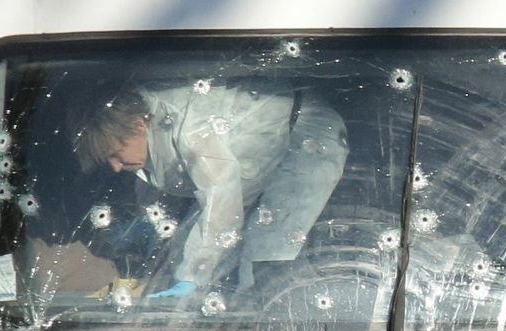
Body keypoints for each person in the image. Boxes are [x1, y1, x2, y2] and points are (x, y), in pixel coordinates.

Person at [66, 78, 349, 299]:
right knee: (186, 254)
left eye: (116, 154)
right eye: (108, 160)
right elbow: (163, 200)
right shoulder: (144, 133)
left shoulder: (190, 128)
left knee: (267, 256)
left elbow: (221, 196)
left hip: (307, 137)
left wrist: (191, 277)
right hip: (256, 159)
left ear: (140, 127)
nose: (115, 167)